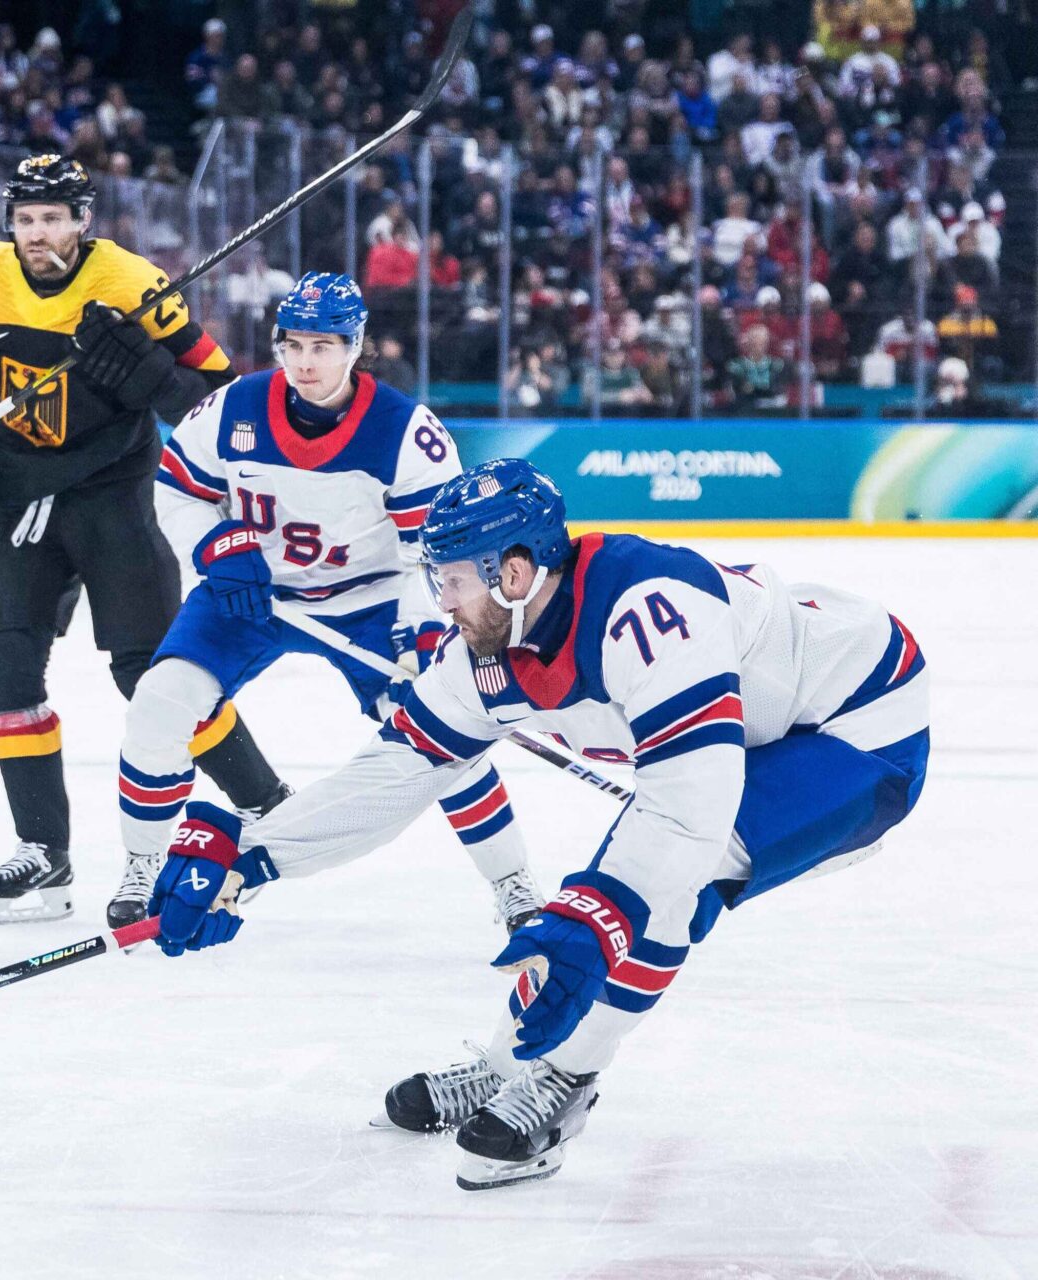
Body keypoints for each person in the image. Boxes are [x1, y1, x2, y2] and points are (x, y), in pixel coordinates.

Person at [140, 460, 930, 1190]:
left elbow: (692, 810)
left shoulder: (651, 613)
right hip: (755, 727)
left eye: (452, 580)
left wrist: (605, 913)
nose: (441, 602)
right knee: (620, 892)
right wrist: (253, 856)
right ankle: (506, 1063)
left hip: (856, 726)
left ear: (513, 573)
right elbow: (398, 771)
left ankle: (563, 1078)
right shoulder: (481, 652)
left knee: (662, 890)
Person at [0, 154, 280, 926]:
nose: (37, 233)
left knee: (150, 675)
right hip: (20, 492)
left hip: (113, 496)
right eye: (24, 220)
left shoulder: (132, 284)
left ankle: (266, 804)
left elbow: (221, 405)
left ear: (83, 220)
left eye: (52, 218)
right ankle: (44, 851)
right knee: (4, 666)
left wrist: (150, 377)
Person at [114, 274, 535, 933]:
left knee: (443, 740)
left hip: (368, 604)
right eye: (293, 345)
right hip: (250, 595)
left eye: (323, 346)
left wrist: (420, 633)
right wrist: (217, 545)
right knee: (159, 703)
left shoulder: (404, 433)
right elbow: (177, 487)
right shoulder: (232, 409)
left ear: (355, 346)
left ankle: (512, 882)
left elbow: (435, 553)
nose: (305, 362)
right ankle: (142, 865)